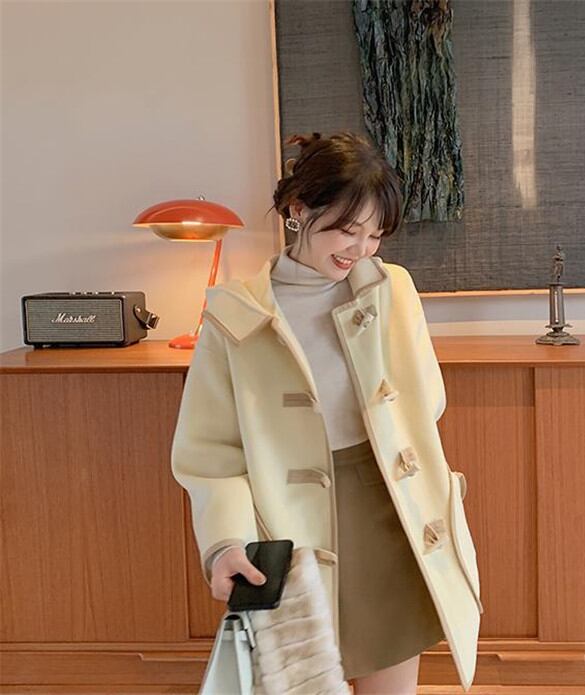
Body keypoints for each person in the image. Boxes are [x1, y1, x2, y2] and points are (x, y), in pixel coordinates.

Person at [171, 131, 480, 694]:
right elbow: (211, 451)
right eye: (346, 229)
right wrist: (225, 542)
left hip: (387, 510)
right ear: (298, 209)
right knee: (303, 679)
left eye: (374, 235)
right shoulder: (235, 317)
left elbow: (425, 402)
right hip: (286, 526)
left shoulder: (390, 290)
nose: (359, 249)